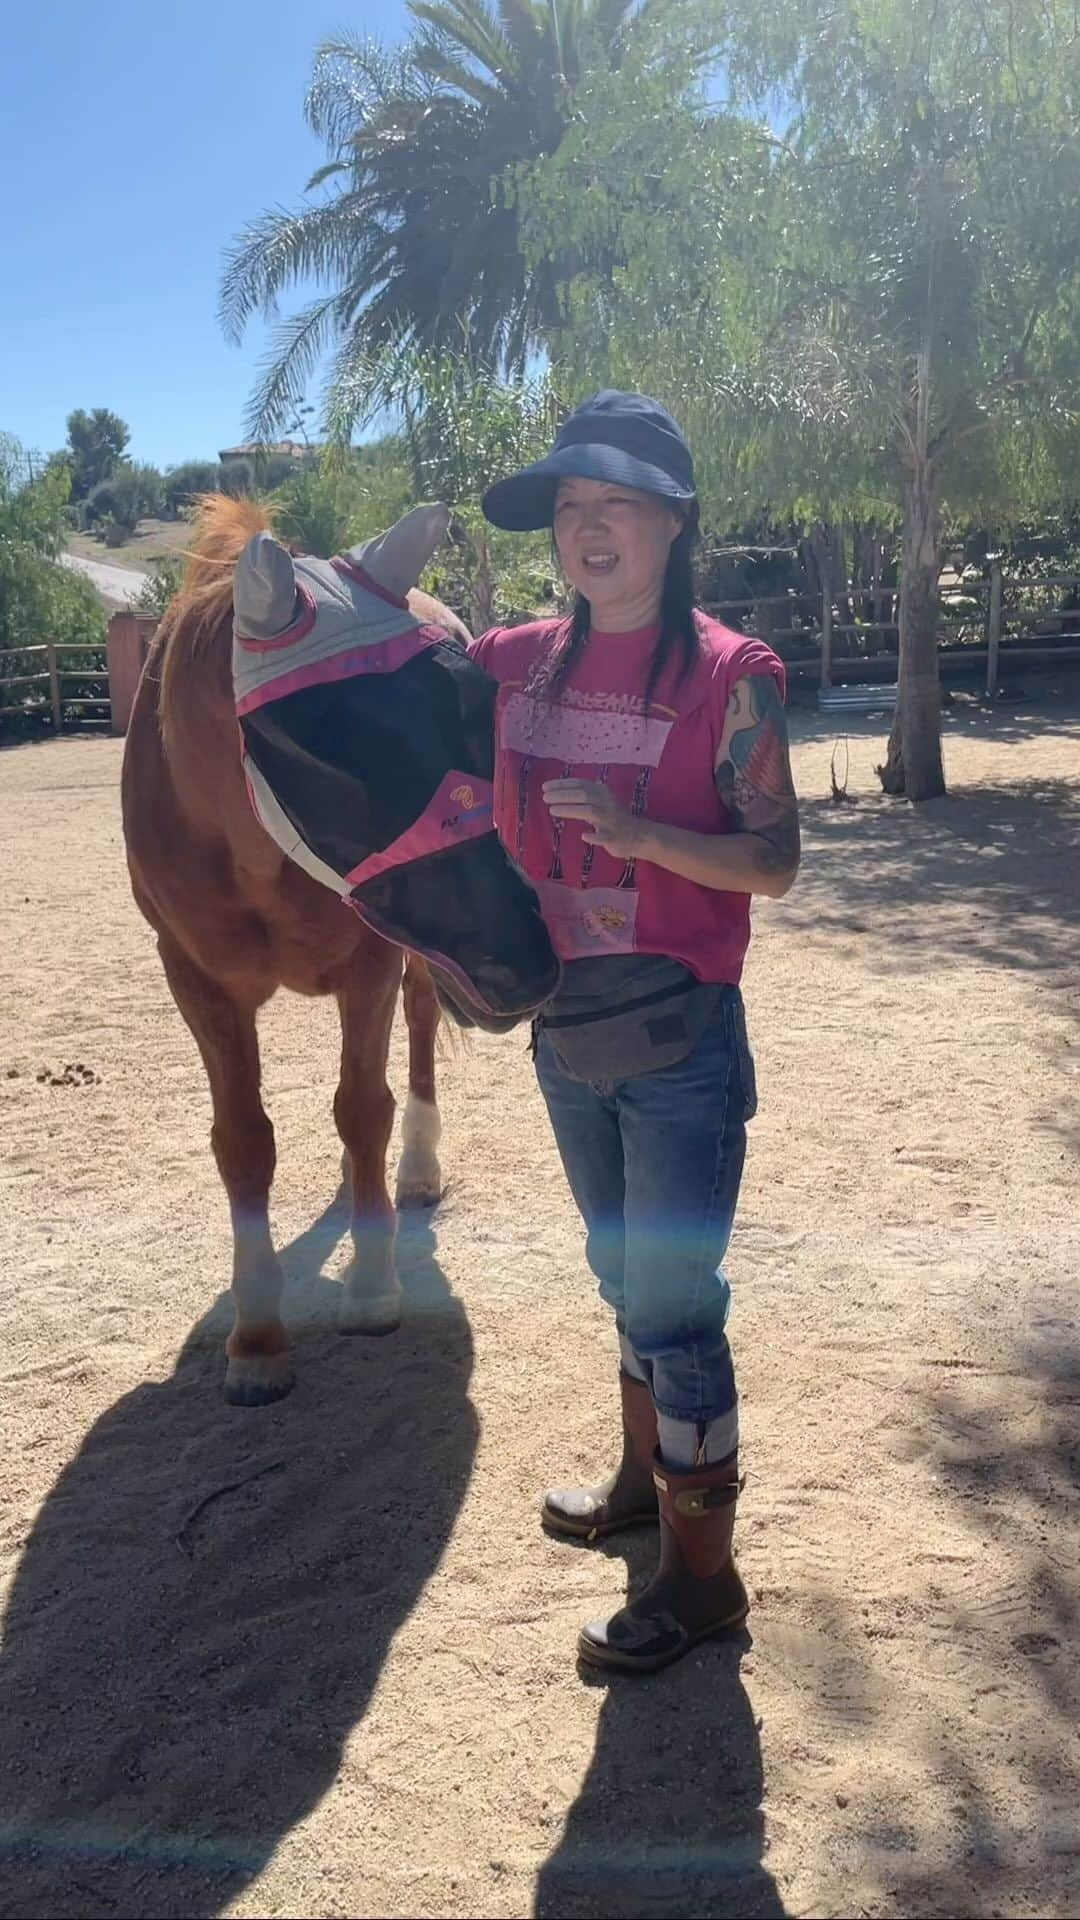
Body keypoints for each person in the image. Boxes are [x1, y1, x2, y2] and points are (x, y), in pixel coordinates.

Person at [472, 391, 800, 1674]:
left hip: (679, 1042)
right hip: (563, 1033)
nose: (589, 530)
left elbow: (773, 862)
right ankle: (633, 1481)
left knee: (673, 1309)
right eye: (570, 508)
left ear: (674, 521)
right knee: (623, 1284)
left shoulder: (733, 676)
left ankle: (703, 1583)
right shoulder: (508, 664)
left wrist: (646, 839)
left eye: (616, 505)